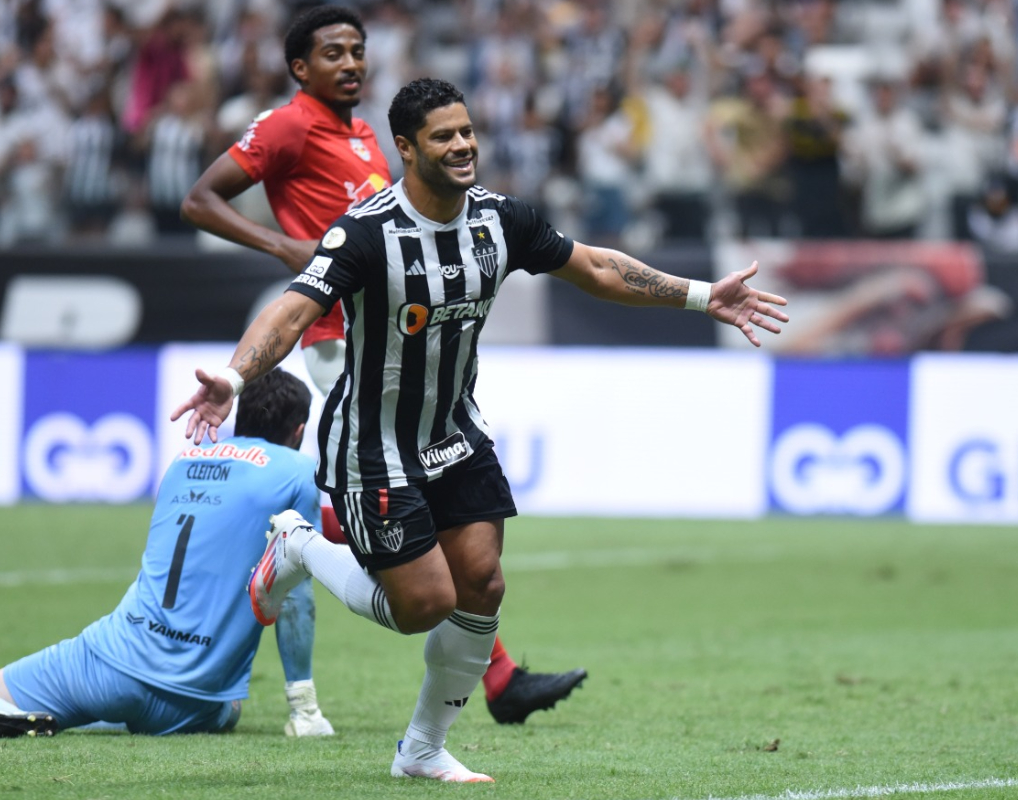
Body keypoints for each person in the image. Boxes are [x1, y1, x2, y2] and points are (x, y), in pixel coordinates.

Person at [171, 78, 789, 782]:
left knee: (482, 584)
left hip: (454, 433)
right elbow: (291, 312)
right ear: (406, 148)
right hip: (372, 445)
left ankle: (422, 751)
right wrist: (236, 376)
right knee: (422, 605)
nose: (463, 145)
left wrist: (703, 295)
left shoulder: (502, 219)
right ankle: (300, 546)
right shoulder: (366, 232)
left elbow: (593, 267)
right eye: (444, 136)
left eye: (466, 131)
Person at [180, 5, 587, 726]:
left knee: (431, 529)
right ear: (300, 68)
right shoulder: (288, 126)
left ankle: (492, 678)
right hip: (344, 339)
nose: (352, 63)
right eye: (333, 52)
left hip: (396, 338)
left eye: (359, 50)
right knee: (382, 497)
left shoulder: (367, 136)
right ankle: (299, 552)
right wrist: (282, 247)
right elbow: (200, 198)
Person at [0, 369, 337, 739]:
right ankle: (126, 714)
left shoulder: (183, 461)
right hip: (196, 700)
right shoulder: (298, 471)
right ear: (299, 431)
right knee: (230, 710)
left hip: (109, 664)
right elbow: (293, 594)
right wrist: (304, 708)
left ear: (239, 414)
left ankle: (48, 715)